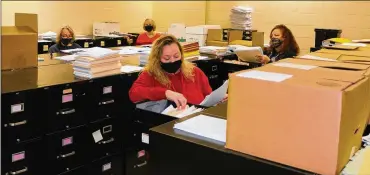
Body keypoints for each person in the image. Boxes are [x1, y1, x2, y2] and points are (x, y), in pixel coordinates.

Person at [129, 35, 213, 109]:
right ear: (157, 59)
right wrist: (165, 93)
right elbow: (134, 94)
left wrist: (218, 99)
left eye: (176, 56)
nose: (172, 61)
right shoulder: (150, 74)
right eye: (167, 58)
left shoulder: (194, 72)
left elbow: (209, 96)